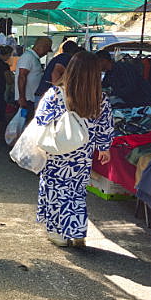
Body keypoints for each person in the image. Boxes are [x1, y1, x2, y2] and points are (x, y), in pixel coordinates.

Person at [35, 51, 114, 247]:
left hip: (57, 152)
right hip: (82, 155)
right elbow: (106, 126)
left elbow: (41, 120)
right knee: (76, 192)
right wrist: (104, 148)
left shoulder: (55, 93)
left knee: (55, 190)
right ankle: (77, 231)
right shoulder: (100, 98)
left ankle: (58, 234)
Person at [15, 36, 52, 117]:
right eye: (46, 50)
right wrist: (22, 97)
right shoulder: (28, 57)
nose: (46, 53)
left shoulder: (34, 58)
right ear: (42, 47)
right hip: (26, 99)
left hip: (32, 99)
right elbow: (22, 76)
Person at [0, 45, 14, 140]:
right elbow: (9, 80)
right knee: (0, 115)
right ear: (8, 55)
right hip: (1, 90)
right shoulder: (4, 66)